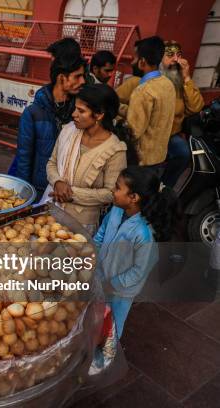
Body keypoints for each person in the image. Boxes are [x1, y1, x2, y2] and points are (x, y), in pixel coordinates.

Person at [94, 166, 177, 338]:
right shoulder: (116, 210)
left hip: (121, 292)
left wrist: (112, 284)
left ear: (133, 197)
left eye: (117, 187)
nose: (113, 190)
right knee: (96, 316)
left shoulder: (144, 234)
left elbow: (138, 271)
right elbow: (101, 234)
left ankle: (107, 355)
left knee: (113, 325)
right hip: (102, 276)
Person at [45, 84, 130, 233]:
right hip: (52, 211)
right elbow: (52, 162)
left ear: (99, 115)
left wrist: (71, 193)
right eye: (75, 108)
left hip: (82, 223)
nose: (74, 114)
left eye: (81, 111)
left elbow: (111, 193)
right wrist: (57, 182)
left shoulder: (115, 150)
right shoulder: (69, 131)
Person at [7, 54, 87, 197]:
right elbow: (23, 159)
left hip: (68, 192)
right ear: (61, 78)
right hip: (38, 188)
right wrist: (24, 196)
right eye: (77, 76)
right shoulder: (33, 114)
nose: (83, 81)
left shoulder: (80, 112)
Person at [159, 40, 205, 188]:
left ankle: (166, 188)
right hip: (151, 135)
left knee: (184, 152)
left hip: (171, 135)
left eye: (178, 55)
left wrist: (186, 78)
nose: (176, 60)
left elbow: (196, 107)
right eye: (170, 55)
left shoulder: (180, 82)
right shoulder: (151, 79)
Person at [126, 36, 176, 168]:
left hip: (141, 160)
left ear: (142, 62)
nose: (132, 62)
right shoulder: (167, 84)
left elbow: (133, 131)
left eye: (135, 58)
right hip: (159, 157)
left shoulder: (143, 91)